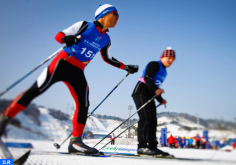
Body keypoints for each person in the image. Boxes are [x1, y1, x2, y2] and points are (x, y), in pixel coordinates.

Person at [0, 4, 138, 154]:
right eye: (115, 15)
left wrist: (126, 67)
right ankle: (3, 120)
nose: (118, 18)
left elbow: (108, 58)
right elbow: (59, 35)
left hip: (78, 70)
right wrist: (67, 38)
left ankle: (76, 142)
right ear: (103, 15)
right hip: (62, 63)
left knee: (83, 102)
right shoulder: (85, 25)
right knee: (35, 90)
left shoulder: (106, 39)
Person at [132, 47, 175, 155]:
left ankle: (152, 146)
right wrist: (156, 90)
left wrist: (160, 99)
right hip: (141, 92)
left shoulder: (165, 72)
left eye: (172, 59)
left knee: (153, 121)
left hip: (150, 95)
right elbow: (147, 78)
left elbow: (156, 87)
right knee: (145, 118)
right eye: (168, 58)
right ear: (162, 56)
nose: (170, 61)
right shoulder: (155, 64)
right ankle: (141, 146)